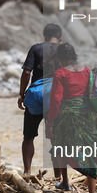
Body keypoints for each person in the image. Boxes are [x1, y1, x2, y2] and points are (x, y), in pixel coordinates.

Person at [45, 43, 97, 193]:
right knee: (90, 153)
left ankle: (65, 182)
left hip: (69, 116)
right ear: (75, 56)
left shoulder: (60, 73)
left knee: (60, 146)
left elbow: (56, 100)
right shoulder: (86, 70)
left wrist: (50, 122)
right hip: (89, 117)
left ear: (61, 59)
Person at [18, 24, 62, 176]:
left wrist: (21, 94)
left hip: (36, 97)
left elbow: (26, 72)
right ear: (60, 38)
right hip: (56, 99)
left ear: (44, 36)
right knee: (56, 139)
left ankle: (27, 172)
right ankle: (58, 177)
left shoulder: (36, 49)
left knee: (29, 136)